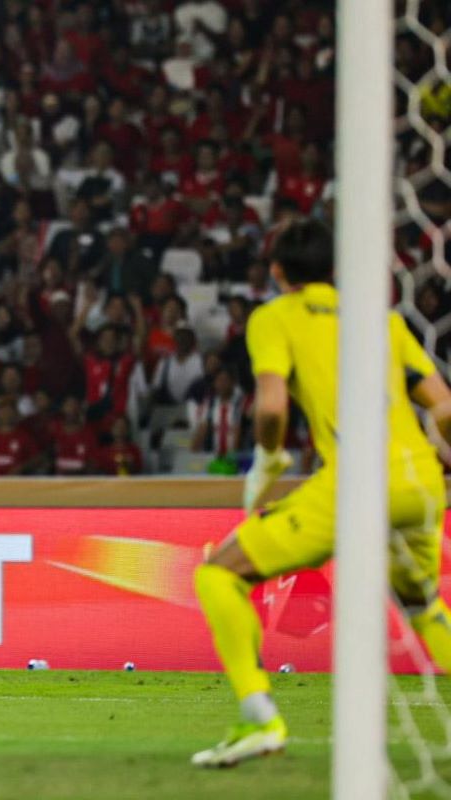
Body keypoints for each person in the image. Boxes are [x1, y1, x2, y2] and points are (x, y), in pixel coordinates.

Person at [192, 219, 451, 766]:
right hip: (421, 481)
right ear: (335, 269)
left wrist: (267, 456)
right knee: (423, 604)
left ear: (278, 271)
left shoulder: (275, 317)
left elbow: (270, 407)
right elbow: (444, 406)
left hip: (358, 482)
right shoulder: (382, 319)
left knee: (219, 573)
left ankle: (259, 718)